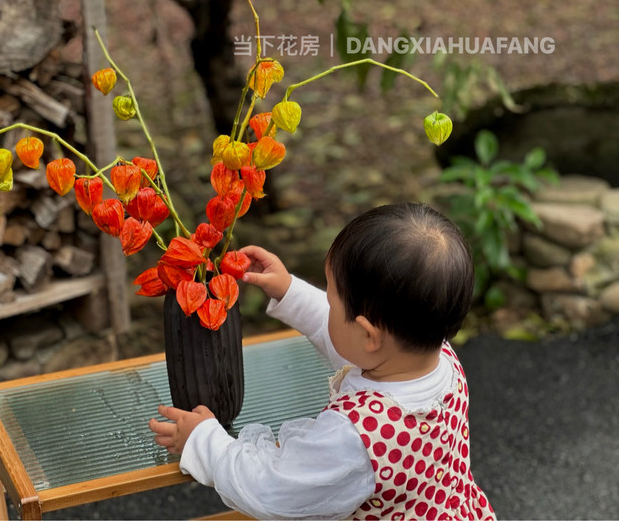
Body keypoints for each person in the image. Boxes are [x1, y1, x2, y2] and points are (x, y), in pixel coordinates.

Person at [149, 203, 494, 520]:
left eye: (331, 301)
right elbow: (351, 342)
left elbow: (272, 488)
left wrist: (203, 441)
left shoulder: (355, 437)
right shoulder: (435, 355)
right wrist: (289, 291)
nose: (327, 307)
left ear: (368, 334)